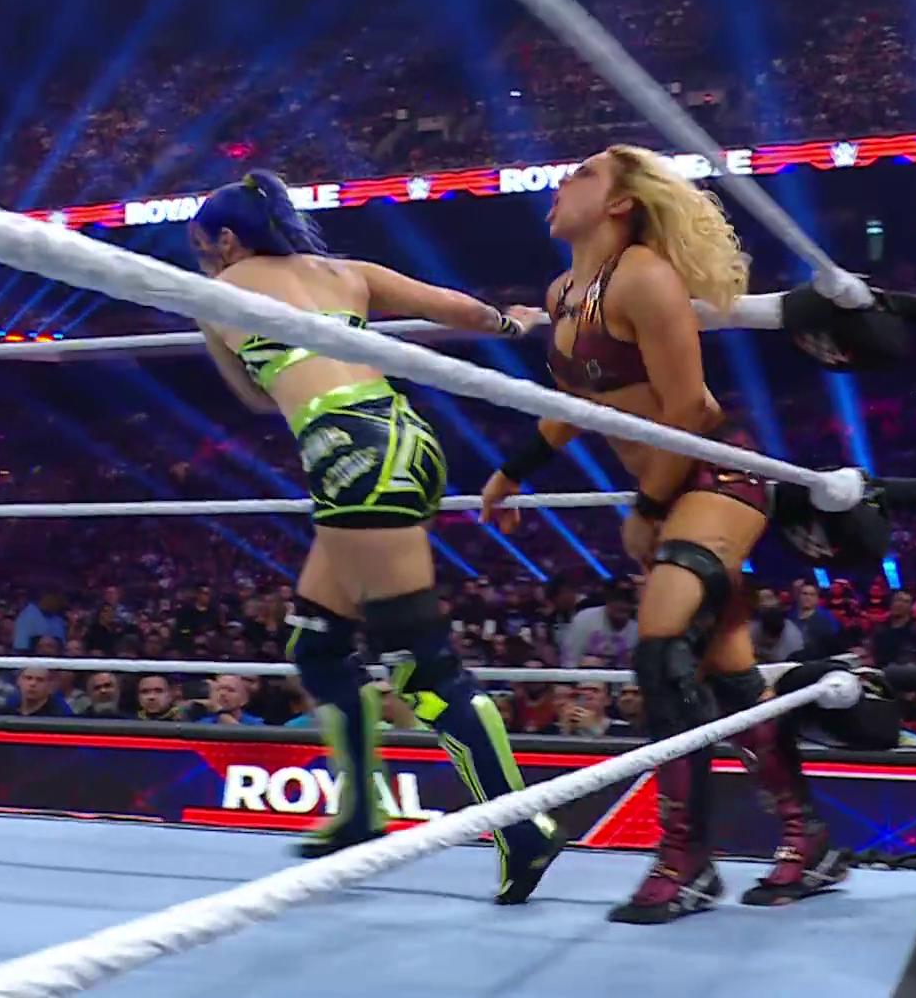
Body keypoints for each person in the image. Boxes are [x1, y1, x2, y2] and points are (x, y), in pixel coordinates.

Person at [476, 145, 872, 922]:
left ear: (621, 202)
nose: (561, 183)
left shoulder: (644, 277)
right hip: (667, 488)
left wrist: (647, 508)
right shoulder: (563, 292)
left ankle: (685, 860)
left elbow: (687, 407)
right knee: (732, 678)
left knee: (659, 645)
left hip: (717, 473)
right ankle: (812, 841)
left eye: (583, 175)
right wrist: (512, 470)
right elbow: (578, 406)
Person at [189, 169, 564, 905]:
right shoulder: (344, 272)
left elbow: (256, 399)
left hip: (349, 453)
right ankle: (362, 810)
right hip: (402, 439)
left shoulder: (220, 292)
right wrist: (512, 325)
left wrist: (217, 319)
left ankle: (523, 826)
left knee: (422, 665)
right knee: (317, 644)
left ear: (226, 240)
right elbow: (454, 307)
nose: (202, 260)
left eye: (204, 247)